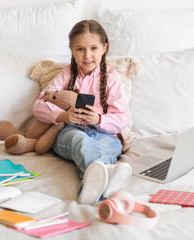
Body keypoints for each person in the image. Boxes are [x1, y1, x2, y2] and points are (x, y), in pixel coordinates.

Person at [32, 20, 132, 205]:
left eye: (94, 48)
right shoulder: (65, 75)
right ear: (71, 49)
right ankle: (107, 181)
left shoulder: (111, 77)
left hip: (106, 135)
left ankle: (91, 189)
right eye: (80, 49)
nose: (87, 56)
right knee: (81, 142)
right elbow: (38, 106)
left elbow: (121, 119)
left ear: (104, 48)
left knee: (107, 149)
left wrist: (99, 119)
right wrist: (63, 116)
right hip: (71, 132)